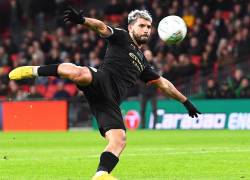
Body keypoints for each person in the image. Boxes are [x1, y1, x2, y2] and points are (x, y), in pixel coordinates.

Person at [9, 6, 201, 180]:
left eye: (149, 27)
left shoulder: (143, 62)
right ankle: (33, 70)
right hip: (101, 80)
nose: (146, 30)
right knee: (80, 73)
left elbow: (164, 84)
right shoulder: (122, 36)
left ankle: (101, 175)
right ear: (131, 27)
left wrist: (186, 102)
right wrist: (83, 21)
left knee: (119, 140)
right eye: (142, 25)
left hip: (110, 101)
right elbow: (102, 27)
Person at [140, 49, 158, 129]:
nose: (148, 57)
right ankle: (143, 127)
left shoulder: (155, 65)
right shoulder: (140, 64)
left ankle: (154, 127)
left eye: (149, 55)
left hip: (153, 91)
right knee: (142, 110)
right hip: (143, 91)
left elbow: (158, 76)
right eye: (146, 55)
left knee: (154, 110)